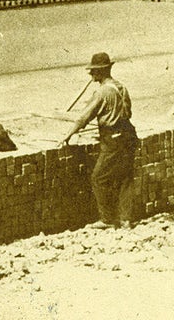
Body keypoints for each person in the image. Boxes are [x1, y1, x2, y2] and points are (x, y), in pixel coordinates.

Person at [59, 52, 137, 229]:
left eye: (93, 71)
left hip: (113, 140)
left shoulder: (102, 92)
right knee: (125, 177)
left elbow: (84, 117)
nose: (90, 75)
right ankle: (126, 220)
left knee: (98, 178)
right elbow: (128, 113)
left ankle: (108, 220)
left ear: (100, 71)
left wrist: (68, 134)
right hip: (129, 136)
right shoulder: (121, 87)